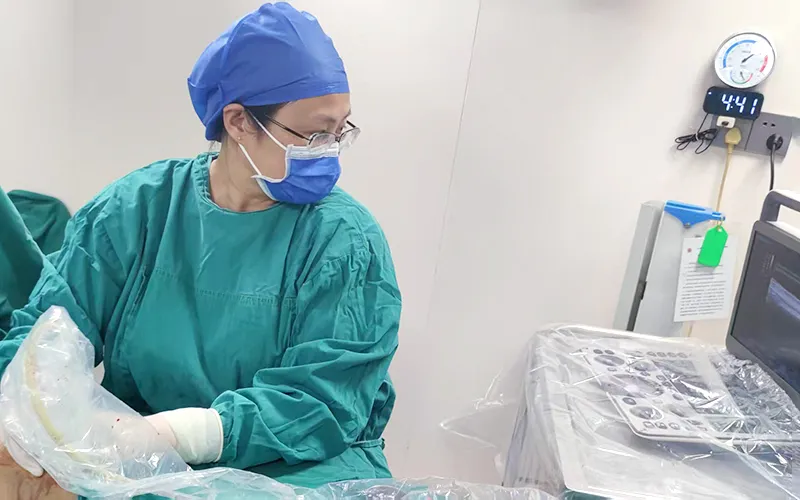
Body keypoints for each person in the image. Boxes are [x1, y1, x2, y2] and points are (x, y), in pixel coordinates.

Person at [0, 2, 401, 489]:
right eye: (315, 134)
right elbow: (51, 328)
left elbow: (326, 399)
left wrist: (181, 435)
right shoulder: (138, 210)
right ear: (238, 121)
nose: (330, 151)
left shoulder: (344, 239)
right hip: (140, 467)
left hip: (300, 471)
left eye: (340, 131)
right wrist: (25, 401)